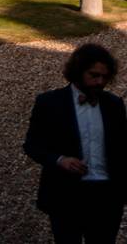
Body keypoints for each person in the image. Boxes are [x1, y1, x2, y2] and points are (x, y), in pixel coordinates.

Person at [24, 42, 127, 244]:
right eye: (94, 75)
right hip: (66, 194)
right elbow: (32, 144)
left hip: (106, 195)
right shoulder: (49, 103)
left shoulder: (114, 104)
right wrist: (59, 160)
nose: (100, 81)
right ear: (78, 72)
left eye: (105, 77)